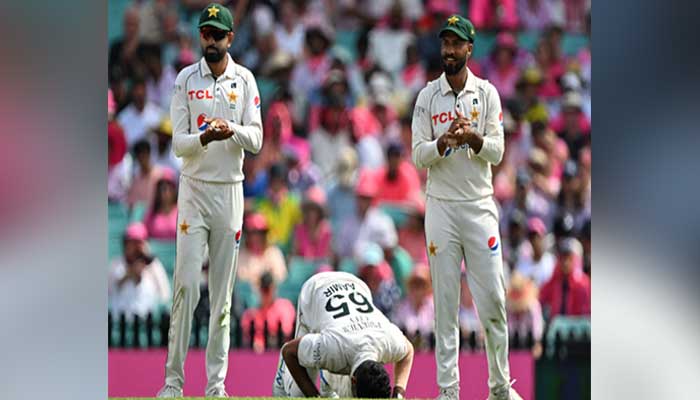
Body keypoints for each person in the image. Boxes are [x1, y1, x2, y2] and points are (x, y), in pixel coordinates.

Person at [410, 15, 523, 400]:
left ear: (470, 49)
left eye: (457, 44)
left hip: (478, 205)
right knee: (445, 304)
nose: (449, 51)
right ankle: (448, 392)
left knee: (493, 300)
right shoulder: (427, 96)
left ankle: (500, 388)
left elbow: (497, 150)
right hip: (441, 207)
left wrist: (472, 136)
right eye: (445, 44)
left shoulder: (487, 94)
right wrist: (443, 142)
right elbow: (418, 155)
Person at [158, 4, 263, 398]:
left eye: (218, 35)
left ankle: (216, 387)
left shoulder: (245, 80)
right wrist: (205, 137)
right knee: (186, 286)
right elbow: (179, 144)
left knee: (222, 296)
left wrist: (230, 129)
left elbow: (257, 140)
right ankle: (173, 382)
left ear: (230, 38)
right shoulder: (185, 79)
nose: (211, 41)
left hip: (230, 191)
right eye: (205, 34)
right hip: (194, 190)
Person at [272, 271, 414, 399]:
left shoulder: (389, 341)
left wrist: (399, 393)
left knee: (339, 368)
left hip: (357, 285)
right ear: (354, 381)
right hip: (316, 290)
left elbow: (408, 351)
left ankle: (327, 377)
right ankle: (287, 378)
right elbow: (289, 351)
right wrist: (314, 397)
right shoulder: (331, 347)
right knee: (298, 395)